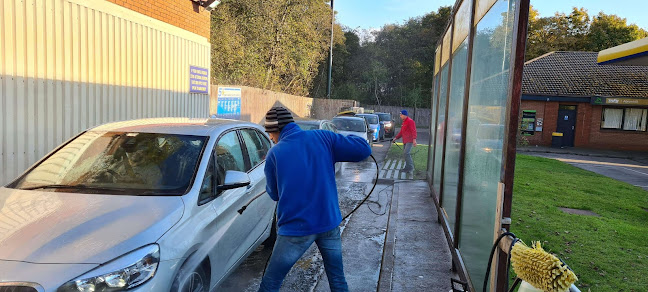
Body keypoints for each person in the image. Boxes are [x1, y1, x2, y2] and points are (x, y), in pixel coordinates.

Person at [259, 106, 372, 292]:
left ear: (276, 130)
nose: (271, 138)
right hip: (329, 224)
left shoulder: (275, 154)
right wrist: (343, 138)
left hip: (295, 230)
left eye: (271, 133)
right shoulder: (323, 138)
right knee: (337, 280)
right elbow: (363, 150)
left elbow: (274, 194)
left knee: (271, 282)